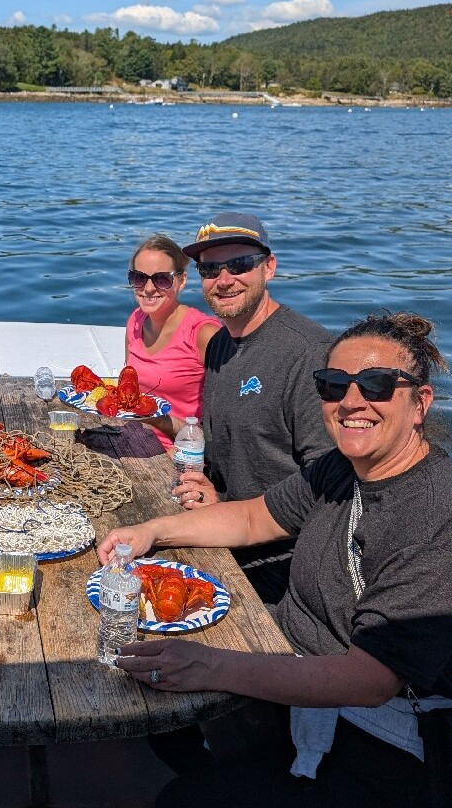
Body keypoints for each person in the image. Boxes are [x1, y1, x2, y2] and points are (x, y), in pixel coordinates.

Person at [99, 312, 452, 808]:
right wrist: (151, 530)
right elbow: (251, 519)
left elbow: (371, 679)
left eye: (376, 384)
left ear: (420, 403)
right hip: (300, 667)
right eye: (333, 385)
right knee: (165, 729)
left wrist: (210, 665)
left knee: (184, 799)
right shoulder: (343, 467)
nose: (352, 401)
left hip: (386, 739)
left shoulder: (444, 515)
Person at [175, 212, 333, 604]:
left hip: (280, 571)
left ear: (270, 267)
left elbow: (330, 485)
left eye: (240, 264)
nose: (224, 279)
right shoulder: (217, 346)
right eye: (210, 268)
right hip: (220, 533)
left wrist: (230, 511)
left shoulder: (309, 353)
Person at [122, 234, 221, 451]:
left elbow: (226, 425)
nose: (148, 288)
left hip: (181, 453)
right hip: (132, 439)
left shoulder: (204, 334)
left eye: (161, 279)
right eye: (139, 277)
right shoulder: (135, 320)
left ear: (181, 281)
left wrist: (158, 420)